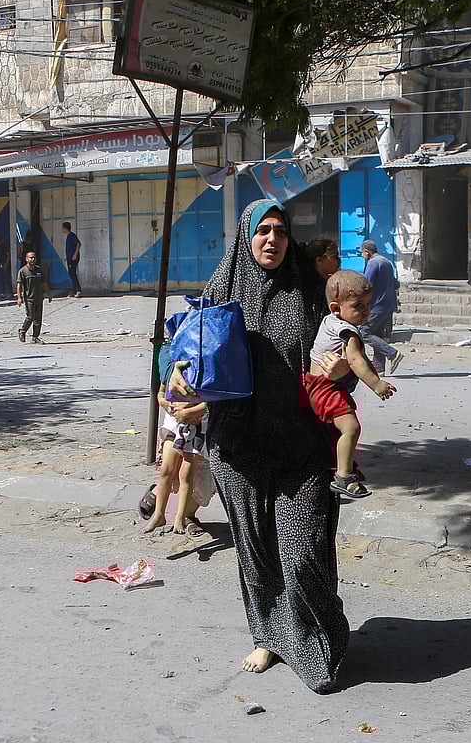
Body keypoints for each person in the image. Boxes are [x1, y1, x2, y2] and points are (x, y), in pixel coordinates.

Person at [168, 198, 349, 693]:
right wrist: (182, 384)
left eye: (281, 231)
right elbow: (183, 358)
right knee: (257, 552)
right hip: (239, 446)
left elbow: (343, 353)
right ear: (245, 237)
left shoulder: (313, 292)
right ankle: (269, 635)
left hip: (302, 445)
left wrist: (344, 374)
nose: (272, 239)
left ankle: (320, 642)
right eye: (263, 231)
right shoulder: (221, 289)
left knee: (304, 551)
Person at [304, 269, 397, 499]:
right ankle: (343, 476)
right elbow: (356, 360)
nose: (365, 311)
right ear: (336, 307)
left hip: (318, 384)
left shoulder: (330, 321)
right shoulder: (347, 332)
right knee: (351, 428)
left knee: (340, 429)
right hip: (327, 388)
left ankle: (346, 466)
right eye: (358, 305)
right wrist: (377, 385)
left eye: (367, 304)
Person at [145, 385, 212, 537]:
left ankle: (181, 517)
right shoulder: (175, 366)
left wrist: (190, 411)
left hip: (198, 425)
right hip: (175, 422)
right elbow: (162, 391)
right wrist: (165, 403)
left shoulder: (205, 368)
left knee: (186, 474)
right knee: (166, 470)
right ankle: (159, 514)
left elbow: (212, 400)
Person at [359, 239, 404, 374]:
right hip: (388, 305)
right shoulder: (386, 262)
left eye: (362, 253)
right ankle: (378, 368)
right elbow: (395, 284)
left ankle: (392, 353)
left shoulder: (373, 263)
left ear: (367, 252)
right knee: (377, 334)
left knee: (364, 333)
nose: (362, 256)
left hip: (376, 306)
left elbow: (366, 285)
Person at [16, 249, 50, 342]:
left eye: (34, 257)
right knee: (30, 316)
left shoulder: (39, 270)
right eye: (31, 257)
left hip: (39, 297)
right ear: (26, 259)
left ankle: (35, 337)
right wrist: (19, 297)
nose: (33, 259)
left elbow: (44, 283)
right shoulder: (23, 271)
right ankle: (22, 331)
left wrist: (49, 294)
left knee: (38, 319)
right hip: (29, 298)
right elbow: (19, 285)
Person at [62, 221, 82, 298]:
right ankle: (74, 290)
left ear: (65, 228)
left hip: (73, 258)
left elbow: (79, 244)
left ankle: (78, 290)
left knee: (73, 273)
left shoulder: (72, 235)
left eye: (63, 228)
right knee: (71, 273)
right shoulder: (69, 236)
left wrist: (75, 254)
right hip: (70, 258)